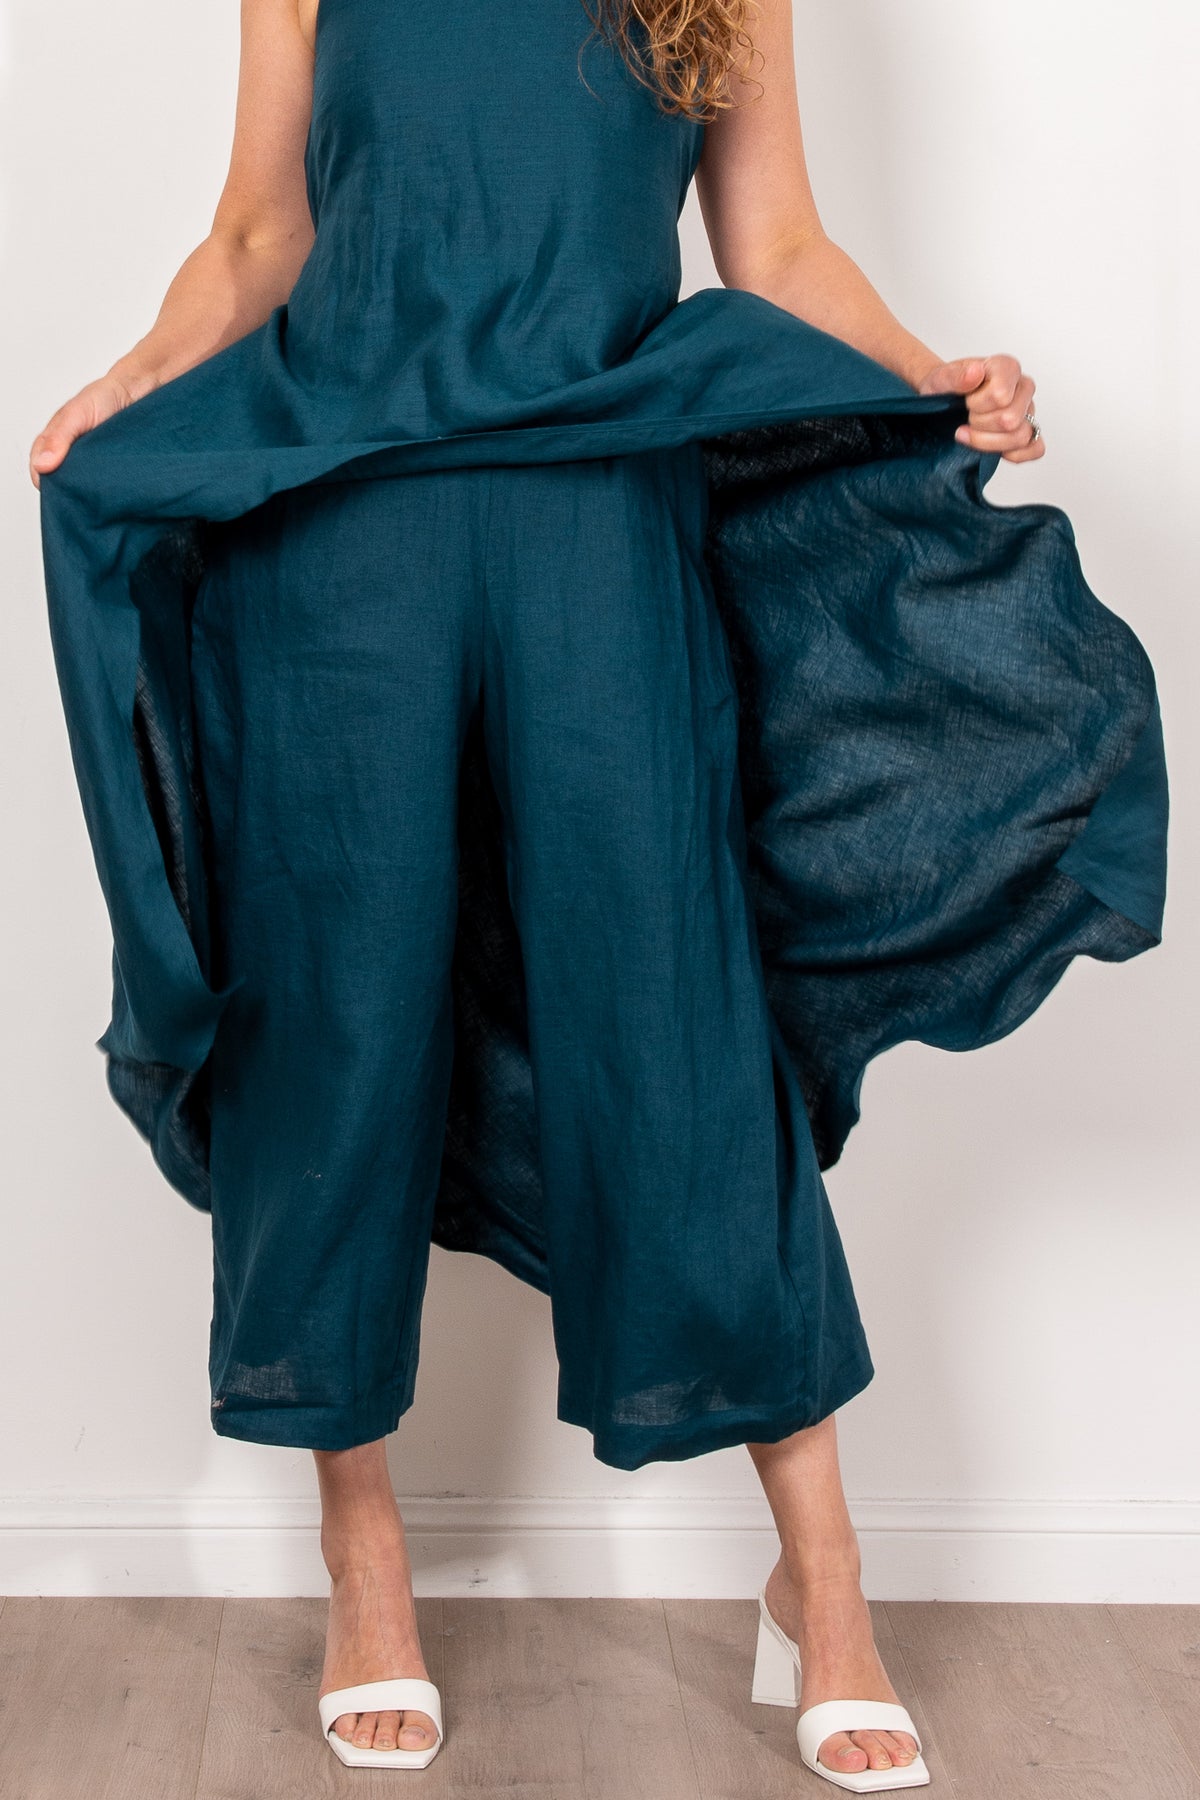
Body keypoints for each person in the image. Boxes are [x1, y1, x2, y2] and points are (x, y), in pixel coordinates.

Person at [30, 0, 1166, 1785]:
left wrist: (933, 371)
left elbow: (777, 250)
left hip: (604, 521)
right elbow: (257, 235)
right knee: (338, 1031)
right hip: (343, 527)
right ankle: (364, 1559)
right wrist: (134, 380)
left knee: (678, 1026)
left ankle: (825, 1579)